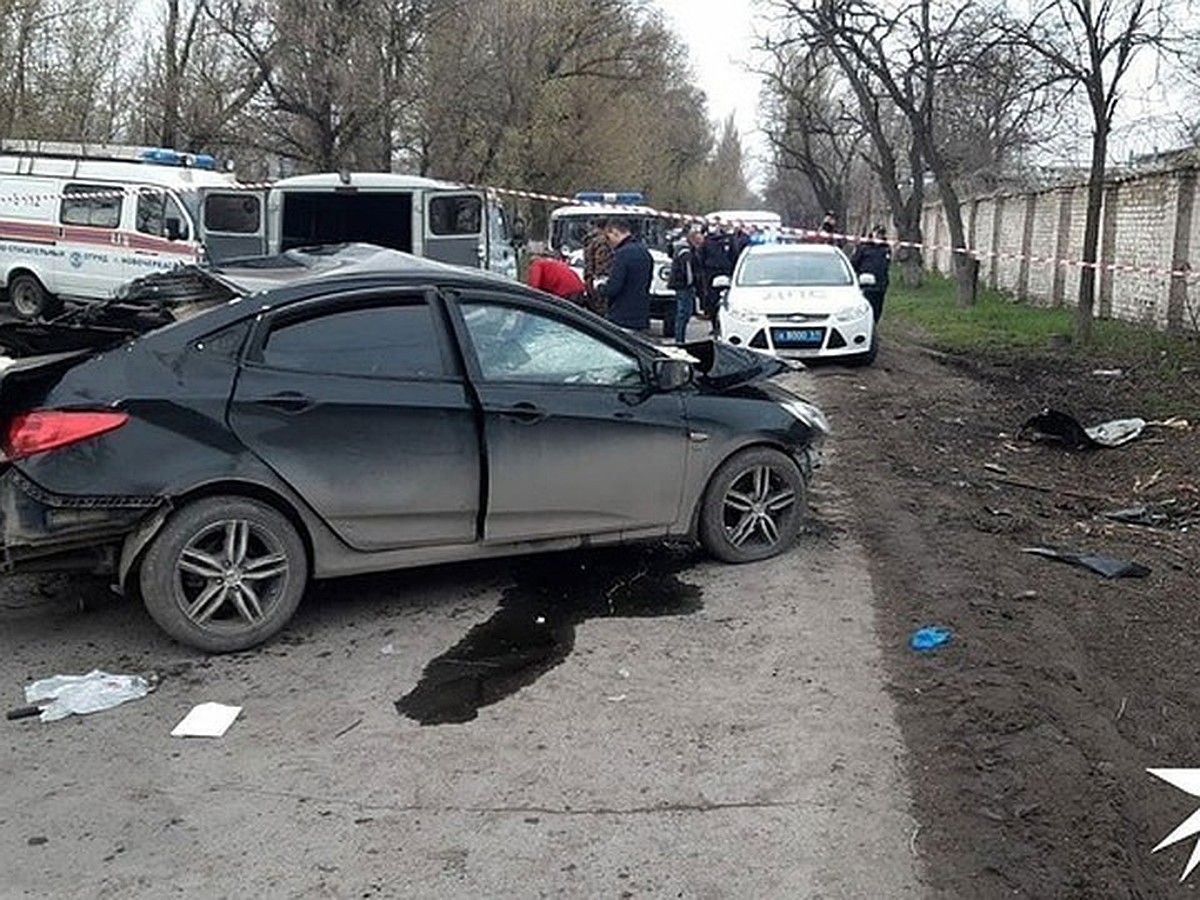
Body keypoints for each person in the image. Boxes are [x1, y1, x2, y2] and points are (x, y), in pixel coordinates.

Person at [598, 217, 653, 332]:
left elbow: (614, 287)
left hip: (621, 315)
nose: (609, 243)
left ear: (615, 232)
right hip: (641, 314)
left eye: (608, 238)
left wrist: (601, 288)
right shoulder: (645, 252)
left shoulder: (621, 255)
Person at [667, 228, 704, 344]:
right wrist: (691, 283)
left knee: (683, 313)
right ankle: (679, 340)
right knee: (684, 313)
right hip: (684, 286)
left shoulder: (681, 249)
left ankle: (679, 338)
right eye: (699, 242)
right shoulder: (686, 252)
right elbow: (688, 271)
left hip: (680, 285)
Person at [851, 225, 891, 323]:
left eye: (881, 234)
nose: (878, 236)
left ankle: (874, 324)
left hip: (881, 283)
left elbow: (887, 264)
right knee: (865, 306)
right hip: (866, 283)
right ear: (872, 233)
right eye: (877, 233)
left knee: (877, 307)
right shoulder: (864, 247)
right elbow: (854, 263)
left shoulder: (886, 248)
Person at [582, 216, 613, 314]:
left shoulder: (590, 239)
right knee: (601, 310)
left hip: (589, 277)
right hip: (598, 279)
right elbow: (602, 262)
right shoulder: (603, 242)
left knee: (593, 310)